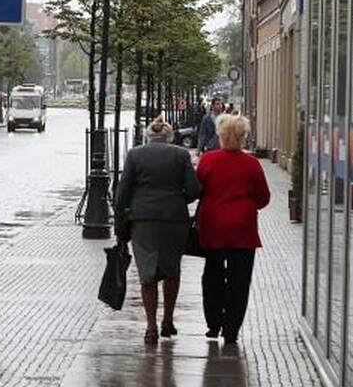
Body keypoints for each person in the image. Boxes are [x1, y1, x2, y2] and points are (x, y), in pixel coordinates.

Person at [114, 119, 202, 344]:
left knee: (147, 274)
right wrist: (176, 198)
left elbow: (122, 192)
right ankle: (168, 320)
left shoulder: (135, 155)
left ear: (147, 136)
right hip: (174, 220)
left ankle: (150, 326)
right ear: (169, 136)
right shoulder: (181, 155)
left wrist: (121, 224)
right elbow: (193, 190)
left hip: (143, 222)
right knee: (172, 270)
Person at [195, 114, 270, 345]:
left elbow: (198, 189)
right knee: (240, 280)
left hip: (214, 226)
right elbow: (264, 197)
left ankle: (213, 322)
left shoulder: (208, 160)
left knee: (212, 276)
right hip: (242, 229)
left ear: (221, 136)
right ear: (243, 137)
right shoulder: (252, 163)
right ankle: (231, 329)